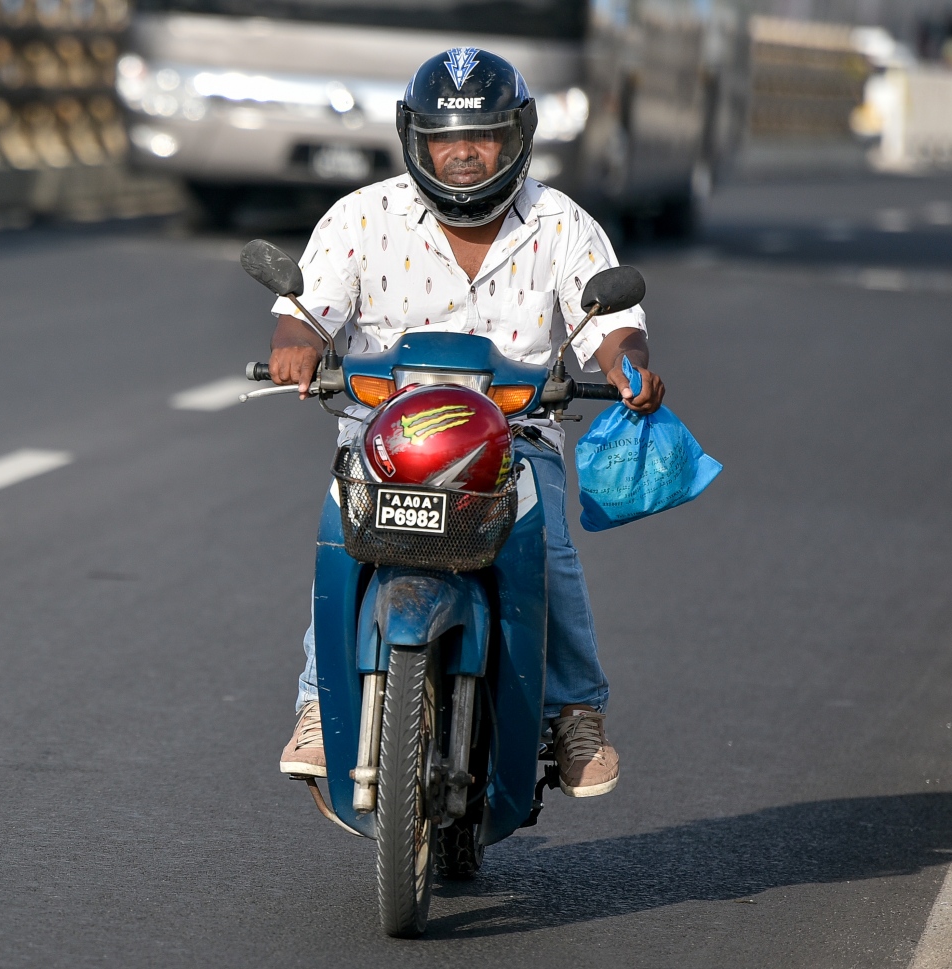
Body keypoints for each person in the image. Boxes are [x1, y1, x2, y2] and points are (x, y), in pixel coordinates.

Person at [272, 48, 664, 798]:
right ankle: (320, 706)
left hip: (515, 438)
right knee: (338, 535)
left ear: (515, 136)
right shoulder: (359, 217)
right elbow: (303, 317)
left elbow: (611, 323)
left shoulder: (561, 224)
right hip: (382, 437)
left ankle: (574, 712)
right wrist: (295, 348)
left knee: (546, 542)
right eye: (443, 138)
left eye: (480, 136)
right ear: (414, 139)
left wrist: (626, 364)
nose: (461, 153)